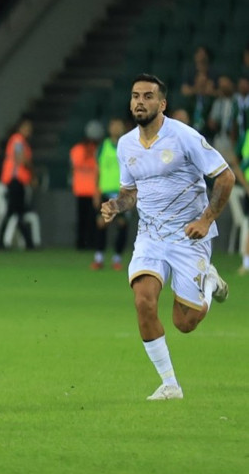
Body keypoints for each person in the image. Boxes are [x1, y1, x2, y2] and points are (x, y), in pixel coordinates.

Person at [100, 73, 233, 401]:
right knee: (143, 301)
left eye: (148, 96)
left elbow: (226, 177)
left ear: (162, 104)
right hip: (150, 236)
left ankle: (209, 283)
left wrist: (206, 220)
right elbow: (130, 193)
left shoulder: (183, 136)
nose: (139, 102)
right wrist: (116, 205)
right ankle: (170, 384)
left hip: (189, 236)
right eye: (135, 96)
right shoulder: (126, 144)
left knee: (185, 323)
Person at [92, 117, 129, 270]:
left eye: (119, 126)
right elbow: (97, 170)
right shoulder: (103, 146)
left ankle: (117, 258)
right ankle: (99, 257)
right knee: (102, 223)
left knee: (122, 224)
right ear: (109, 128)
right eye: (114, 126)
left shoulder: (128, 146)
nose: (116, 129)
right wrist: (96, 191)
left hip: (122, 193)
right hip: (105, 192)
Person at [0, 116, 36, 249]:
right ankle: (27, 243)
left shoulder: (21, 141)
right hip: (15, 180)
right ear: (20, 128)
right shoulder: (18, 140)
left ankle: (27, 243)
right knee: (15, 212)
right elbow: (21, 159)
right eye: (26, 128)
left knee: (16, 212)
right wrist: (33, 172)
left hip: (18, 181)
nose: (29, 131)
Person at [69, 120, 102, 250]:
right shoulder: (97, 151)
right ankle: (88, 243)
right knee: (89, 220)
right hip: (90, 190)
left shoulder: (77, 150)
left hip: (84, 190)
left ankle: (82, 243)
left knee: (84, 219)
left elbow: (73, 167)